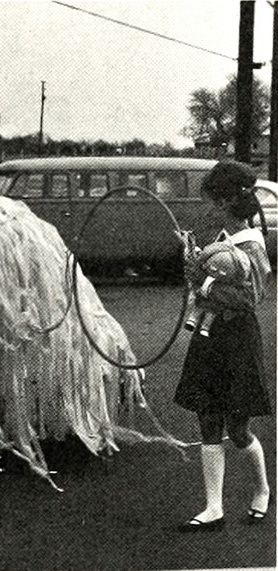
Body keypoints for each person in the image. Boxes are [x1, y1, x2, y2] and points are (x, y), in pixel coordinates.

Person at [174, 160, 273, 532]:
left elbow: (249, 298)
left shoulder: (250, 243)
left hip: (237, 339)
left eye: (211, 202)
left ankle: (262, 489)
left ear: (227, 201)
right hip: (210, 337)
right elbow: (208, 285)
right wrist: (194, 269)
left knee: (238, 427)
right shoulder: (220, 238)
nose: (207, 209)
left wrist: (203, 282)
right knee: (208, 419)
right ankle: (213, 507)